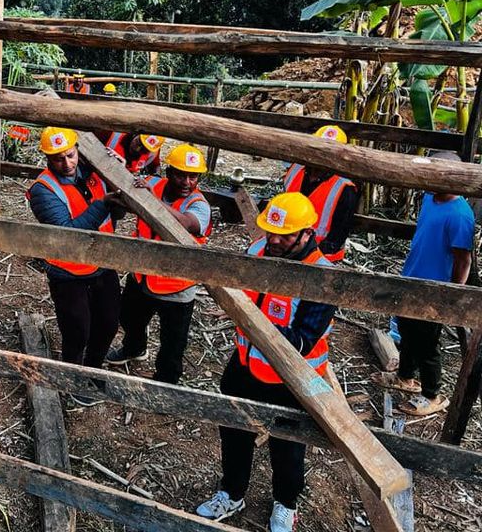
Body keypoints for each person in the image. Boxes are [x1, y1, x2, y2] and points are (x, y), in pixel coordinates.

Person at [197, 192, 336, 532]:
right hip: (244, 365)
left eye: (284, 235)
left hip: (291, 380)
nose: (273, 240)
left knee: (287, 448)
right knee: (234, 432)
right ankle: (231, 492)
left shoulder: (323, 278)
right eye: (270, 231)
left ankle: (285, 504)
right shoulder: (258, 252)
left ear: (307, 233)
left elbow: (302, 340)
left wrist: (254, 319)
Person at [27, 127, 125, 406]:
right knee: (77, 329)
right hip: (68, 272)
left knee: (107, 322)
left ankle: (93, 371)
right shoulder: (43, 191)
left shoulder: (93, 171)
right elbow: (68, 236)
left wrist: (116, 173)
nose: (67, 164)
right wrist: (103, 204)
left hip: (104, 262)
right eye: (58, 159)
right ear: (47, 157)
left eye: (70, 155)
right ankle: (72, 376)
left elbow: (119, 211)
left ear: (78, 150)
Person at [375, 151, 473, 416]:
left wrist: (452, 293)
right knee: (407, 331)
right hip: (412, 277)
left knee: (428, 345)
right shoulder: (429, 198)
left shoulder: (460, 215)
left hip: (434, 289)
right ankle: (406, 377)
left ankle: (432, 394)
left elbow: (464, 259)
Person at [105, 144, 211, 384]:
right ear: (168, 172)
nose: (186, 182)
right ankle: (134, 349)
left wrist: (150, 201)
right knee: (130, 319)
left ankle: (167, 382)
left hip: (176, 287)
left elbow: (186, 223)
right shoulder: (153, 184)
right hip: (141, 275)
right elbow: (129, 183)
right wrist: (116, 165)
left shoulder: (199, 205)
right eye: (180, 174)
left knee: (173, 344)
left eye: (192, 176)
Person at [281, 124, 358, 262]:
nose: (322, 154)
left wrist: (313, 254)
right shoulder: (295, 169)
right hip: (287, 247)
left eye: (329, 151)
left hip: (322, 256)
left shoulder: (345, 188)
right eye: (319, 148)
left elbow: (339, 233)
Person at [98, 131, 164, 176]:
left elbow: (136, 176)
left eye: (144, 150)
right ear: (135, 134)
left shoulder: (151, 155)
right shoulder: (111, 134)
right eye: (138, 142)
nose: (137, 149)